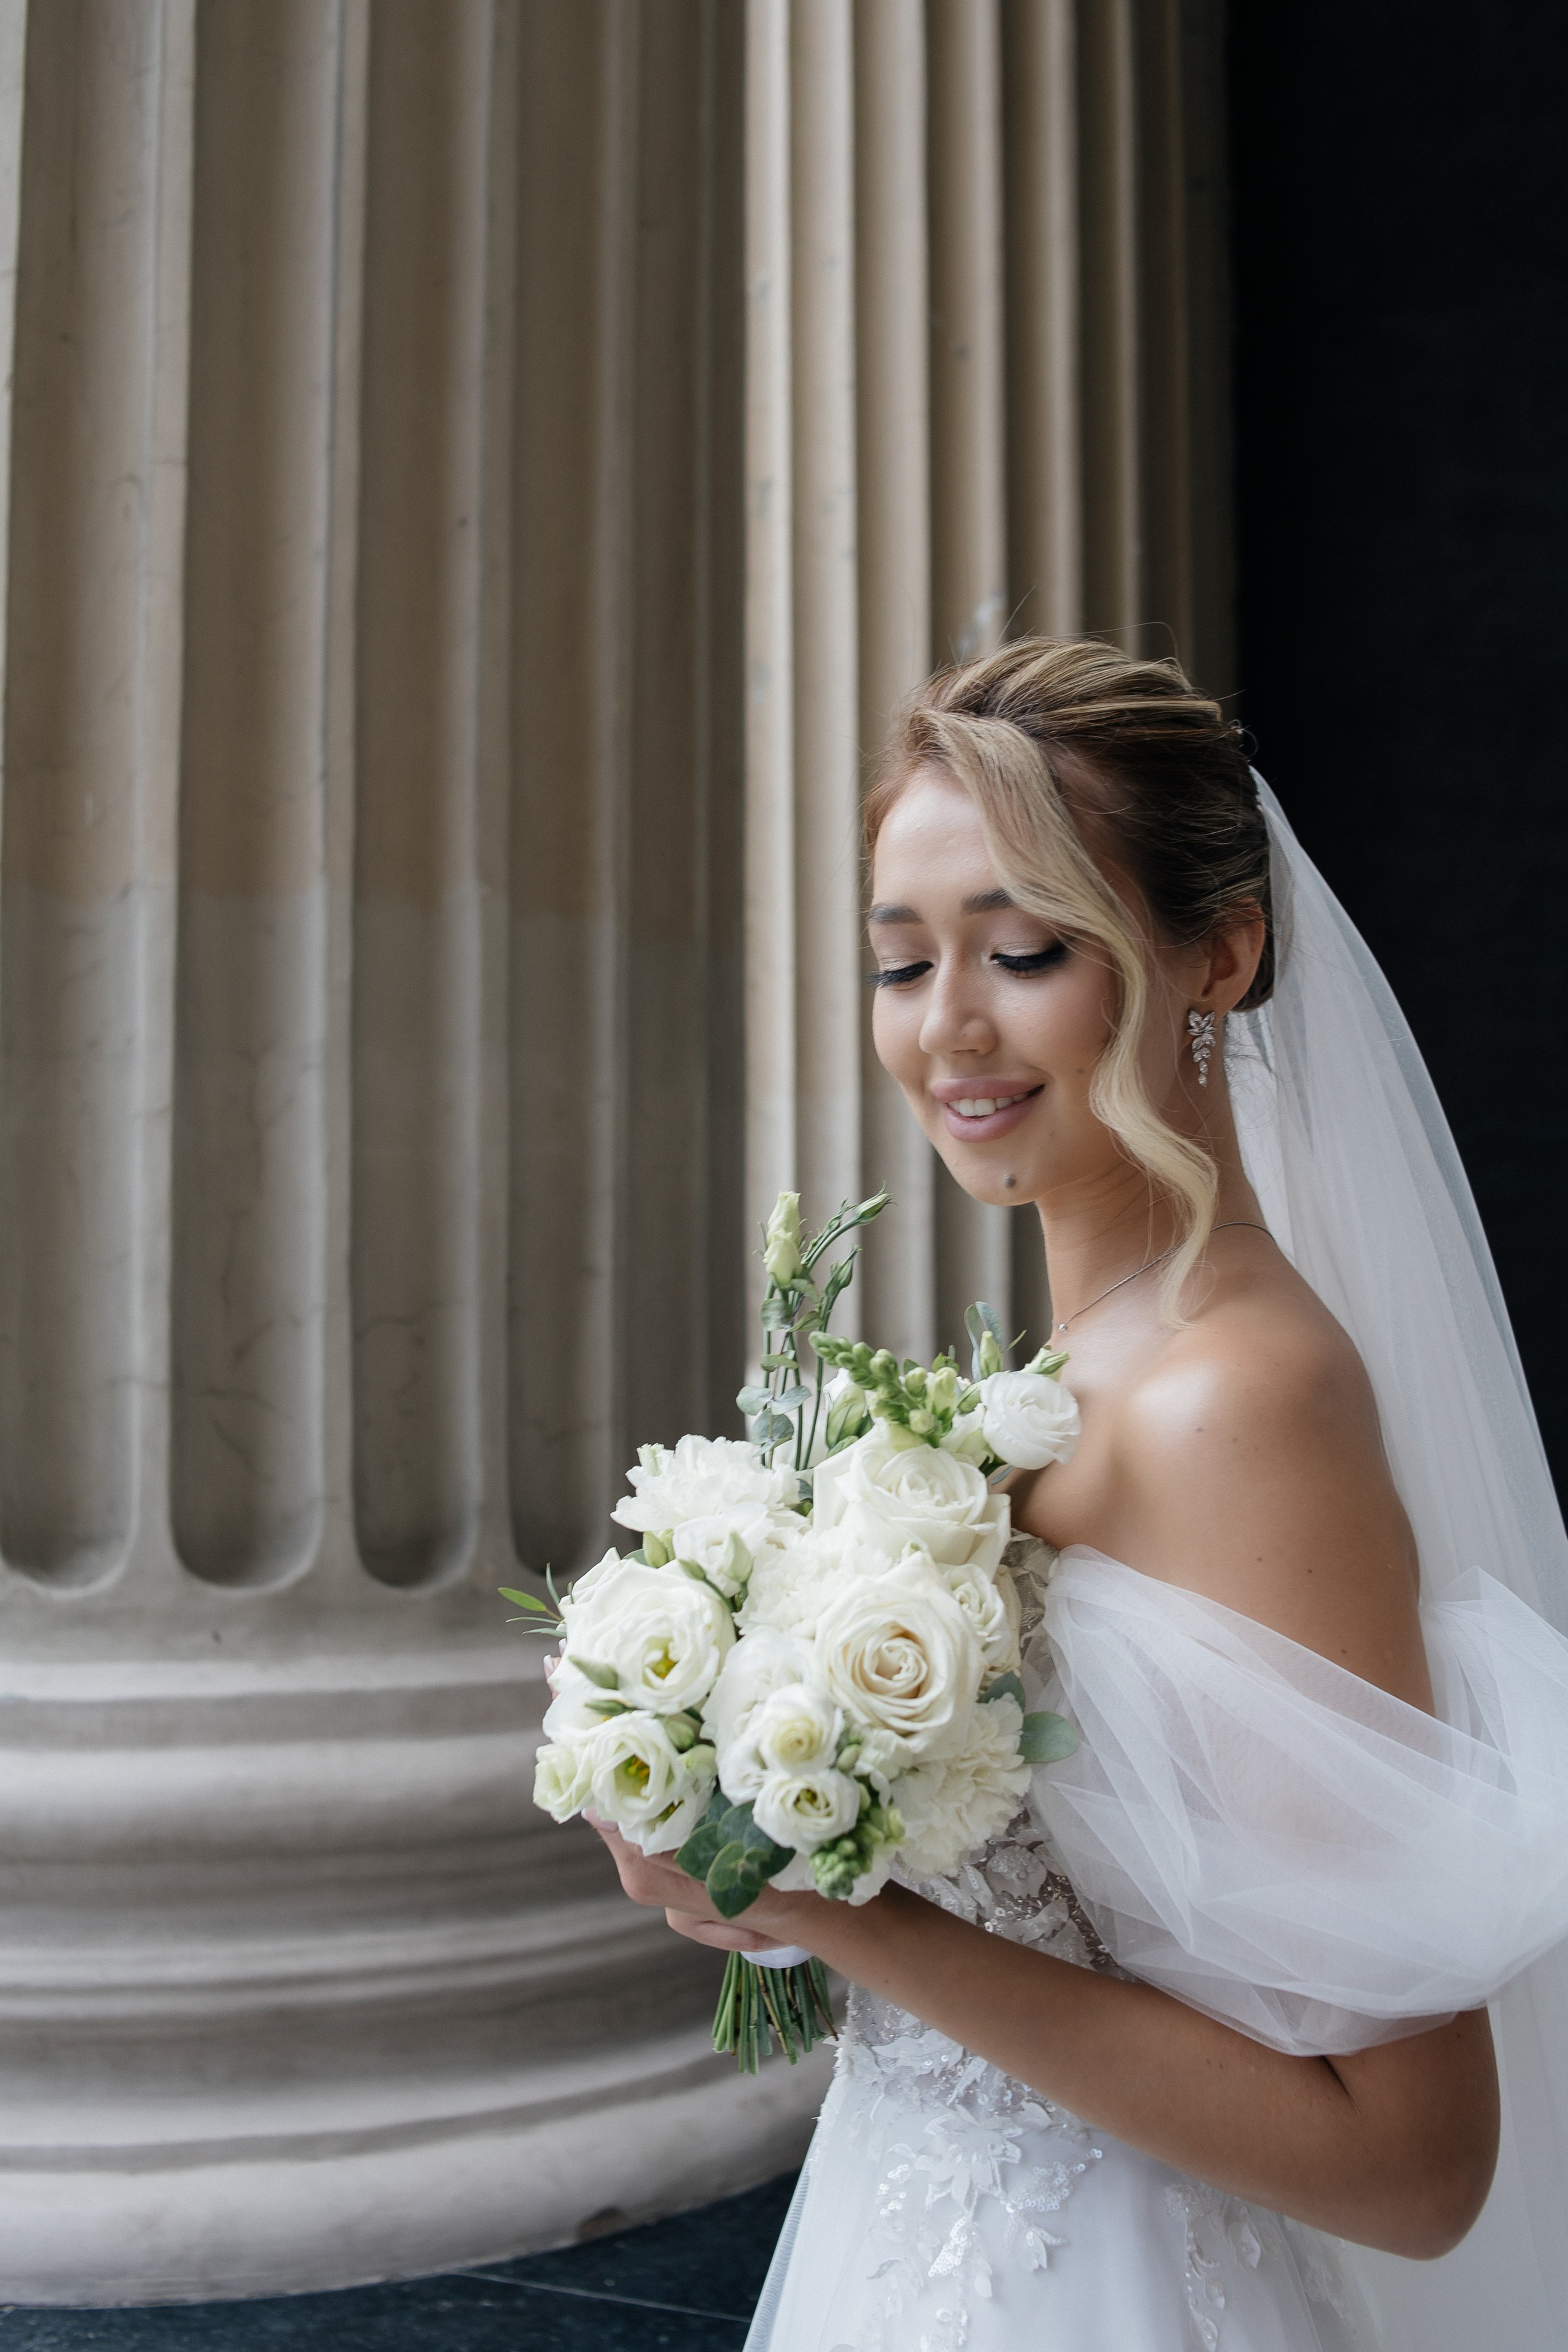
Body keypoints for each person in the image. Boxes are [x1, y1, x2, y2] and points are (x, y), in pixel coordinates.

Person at [590, 639, 1568, 2350]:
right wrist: (750, 1806)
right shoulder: (1044, 1387)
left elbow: (1413, 2166)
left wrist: (833, 1908)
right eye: (903, 963)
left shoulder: (1235, 1402)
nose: (948, 1025)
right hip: (917, 2242)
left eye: (1025, 950)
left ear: (1223, 956)